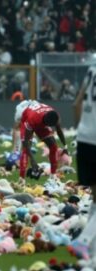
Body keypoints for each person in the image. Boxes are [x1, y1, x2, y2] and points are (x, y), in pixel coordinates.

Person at [70, 65, 96, 260]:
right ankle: (84, 241)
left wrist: (81, 130)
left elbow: (76, 103)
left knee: (95, 197)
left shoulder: (91, 70)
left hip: (85, 137)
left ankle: (91, 247)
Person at [19, 102, 68, 179]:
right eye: (48, 125)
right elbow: (25, 141)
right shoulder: (32, 118)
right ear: (46, 121)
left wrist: (65, 146)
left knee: (53, 146)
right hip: (26, 117)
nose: (49, 127)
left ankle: (53, 177)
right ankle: (21, 180)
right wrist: (32, 160)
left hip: (40, 119)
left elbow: (59, 130)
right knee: (26, 148)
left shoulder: (55, 116)